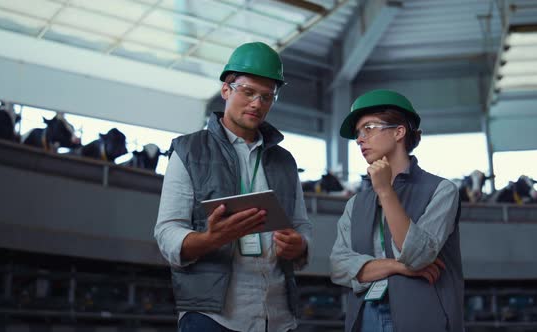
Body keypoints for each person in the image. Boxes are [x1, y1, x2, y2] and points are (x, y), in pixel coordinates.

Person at [154, 41, 312, 332]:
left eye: (267, 96)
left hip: (277, 317)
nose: (257, 103)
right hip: (212, 317)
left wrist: (299, 245)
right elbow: (167, 232)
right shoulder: (189, 150)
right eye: (248, 92)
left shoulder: (285, 162)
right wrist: (210, 239)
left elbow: (301, 227)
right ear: (226, 89)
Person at [329, 89, 463, 332]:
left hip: (423, 317)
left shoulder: (442, 190)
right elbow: (338, 267)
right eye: (358, 133)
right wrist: (397, 266)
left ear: (399, 131)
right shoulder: (355, 203)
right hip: (365, 317)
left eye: (368, 128)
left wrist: (386, 192)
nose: (360, 139)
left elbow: (418, 256)